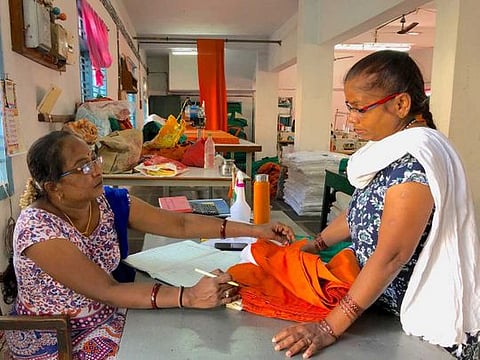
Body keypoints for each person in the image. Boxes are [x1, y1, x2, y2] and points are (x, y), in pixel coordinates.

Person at [3, 130, 295, 360]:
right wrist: (189, 296)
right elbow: (109, 290)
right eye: (81, 168)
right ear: (54, 187)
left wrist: (257, 230)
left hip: (109, 314)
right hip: (60, 339)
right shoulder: (38, 229)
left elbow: (179, 224)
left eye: (93, 159)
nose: (94, 170)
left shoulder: (107, 202)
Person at [271, 50, 479, 360]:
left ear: (400, 104)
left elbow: (392, 254)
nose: (351, 119)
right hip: (384, 308)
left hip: (425, 327)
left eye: (360, 109)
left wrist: (328, 327)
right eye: (349, 108)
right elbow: (358, 211)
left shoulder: (414, 164)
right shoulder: (388, 151)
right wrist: (313, 245)